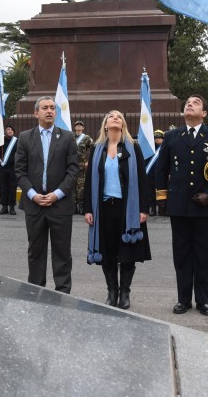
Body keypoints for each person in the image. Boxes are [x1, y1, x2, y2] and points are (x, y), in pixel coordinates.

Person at [154, 94, 208, 317]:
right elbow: (161, 169)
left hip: (204, 206)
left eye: (196, 103)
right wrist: (162, 199)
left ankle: (203, 300)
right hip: (179, 205)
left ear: (204, 113)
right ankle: (183, 300)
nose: (190, 104)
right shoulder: (172, 136)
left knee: (202, 255)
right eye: (188, 102)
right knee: (181, 255)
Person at [82, 110, 151, 309]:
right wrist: (88, 209)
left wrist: (143, 208)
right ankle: (112, 292)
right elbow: (89, 182)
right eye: (111, 116)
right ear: (105, 125)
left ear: (123, 125)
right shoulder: (97, 149)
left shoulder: (133, 147)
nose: (115, 118)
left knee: (127, 251)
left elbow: (142, 179)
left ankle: (125, 292)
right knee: (108, 252)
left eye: (119, 117)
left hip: (128, 208)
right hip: (103, 207)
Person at [15, 96, 79, 293]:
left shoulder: (67, 137)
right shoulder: (25, 137)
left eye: (52, 108)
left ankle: (63, 293)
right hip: (34, 205)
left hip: (59, 205)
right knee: (36, 252)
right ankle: (36, 291)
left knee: (62, 252)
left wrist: (57, 194)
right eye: (45, 108)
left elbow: (73, 170)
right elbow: (19, 171)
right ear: (36, 113)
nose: (49, 111)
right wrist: (32, 194)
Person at [0, 125, 19, 215]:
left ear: (14, 132)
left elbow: (20, 153)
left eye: (11, 129)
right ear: (5, 132)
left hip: (13, 168)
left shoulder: (17, 141)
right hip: (2, 168)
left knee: (12, 187)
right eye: (7, 129)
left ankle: (12, 206)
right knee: (4, 187)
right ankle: (4, 206)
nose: (9, 131)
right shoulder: (1, 142)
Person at [73, 120, 94, 215]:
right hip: (72, 166)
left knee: (81, 187)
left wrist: (89, 161)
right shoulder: (71, 137)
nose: (78, 127)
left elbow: (94, 148)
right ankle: (74, 207)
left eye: (80, 125)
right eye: (77, 125)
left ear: (83, 128)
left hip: (81, 167)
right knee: (72, 186)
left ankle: (81, 206)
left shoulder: (86, 138)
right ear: (75, 127)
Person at [147, 130, 166, 216]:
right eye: (155, 138)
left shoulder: (165, 147)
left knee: (161, 191)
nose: (157, 139)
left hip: (161, 173)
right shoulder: (150, 148)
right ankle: (153, 209)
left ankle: (162, 209)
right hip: (151, 173)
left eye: (159, 137)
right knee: (150, 193)